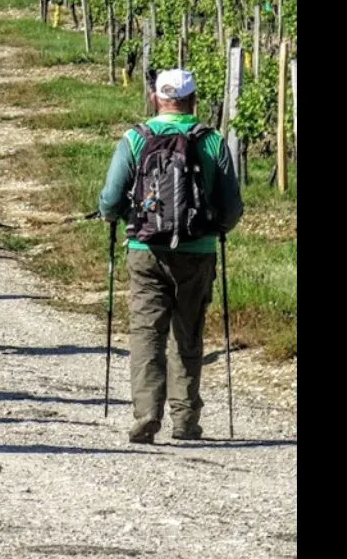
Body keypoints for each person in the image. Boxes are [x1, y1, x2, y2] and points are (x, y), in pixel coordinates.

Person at [98, 68, 243, 444]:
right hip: (197, 250)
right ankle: (185, 419)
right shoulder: (212, 140)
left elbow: (112, 199)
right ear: (194, 100)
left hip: (145, 249)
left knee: (147, 332)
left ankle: (147, 413)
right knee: (188, 333)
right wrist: (216, 230)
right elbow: (231, 209)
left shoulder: (135, 138)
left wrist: (112, 215)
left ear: (155, 98)